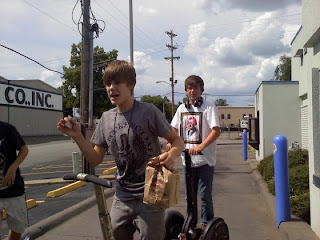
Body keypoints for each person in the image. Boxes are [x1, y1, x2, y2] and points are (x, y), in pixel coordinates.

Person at [57, 60, 184, 240]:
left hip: (151, 193)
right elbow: (95, 159)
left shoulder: (148, 112)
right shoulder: (106, 119)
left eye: (117, 83)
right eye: (108, 84)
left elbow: (177, 141)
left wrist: (171, 154)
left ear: (131, 85)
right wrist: (78, 136)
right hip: (122, 195)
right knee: (115, 233)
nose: (111, 88)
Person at [167, 75, 220, 237]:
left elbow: (216, 130)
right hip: (187, 161)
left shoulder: (209, 106)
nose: (192, 91)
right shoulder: (182, 109)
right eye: (189, 88)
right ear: (186, 90)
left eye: (195, 87)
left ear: (201, 90)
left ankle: (206, 227)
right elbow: (173, 129)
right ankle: (191, 225)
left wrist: (201, 146)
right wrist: (171, 142)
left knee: (204, 196)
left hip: (204, 160)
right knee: (189, 197)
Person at [0, 121, 29, 240]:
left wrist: (13, 168)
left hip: (13, 189)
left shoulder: (7, 129)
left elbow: (24, 150)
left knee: (17, 229)